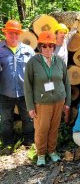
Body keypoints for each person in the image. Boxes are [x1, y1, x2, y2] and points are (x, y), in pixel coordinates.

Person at [24, 31, 71, 166]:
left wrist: (67, 102)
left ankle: (52, 151)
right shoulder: (33, 62)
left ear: (54, 47)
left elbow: (66, 82)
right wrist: (30, 107)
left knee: (54, 127)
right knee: (41, 129)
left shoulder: (60, 61)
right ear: (40, 47)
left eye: (51, 46)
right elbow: (27, 85)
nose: (48, 49)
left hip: (59, 101)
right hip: (42, 103)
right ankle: (41, 154)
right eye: (44, 46)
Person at [0, 20, 34, 155]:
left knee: (28, 118)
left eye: (16, 33)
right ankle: (8, 144)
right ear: (5, 34)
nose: (13, 36)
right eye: (10, 33)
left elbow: (33, 72)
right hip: (4, 92)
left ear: (19, 34)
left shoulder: (28, 50)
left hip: (25, 92)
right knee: (6, 120)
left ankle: (29, 142)